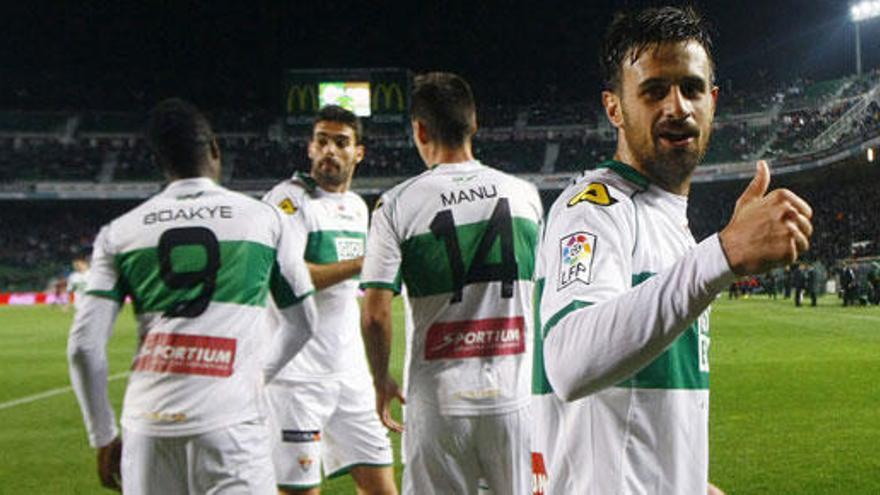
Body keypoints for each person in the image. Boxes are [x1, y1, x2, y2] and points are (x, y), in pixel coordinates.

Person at [531, 6, 813, 494]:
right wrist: (722, 254)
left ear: (713, 101)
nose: (677, 106)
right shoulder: (596, 208)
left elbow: (634, 410)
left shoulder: (668, 224)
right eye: (654, 90)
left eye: (691, 88)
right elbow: (569, 362)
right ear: (614, 107)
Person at [68, 98, 319, 494]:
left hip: (148, 427)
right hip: (232, 422)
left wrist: (103, 436)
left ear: (160, 161)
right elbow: (304, 322)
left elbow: (83, 347)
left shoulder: (119, 232)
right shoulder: (265, 220)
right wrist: (259, 374)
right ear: (215, 149)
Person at [360, 72, 543, 494]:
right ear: (473, 122)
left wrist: (380, 379)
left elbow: (373, 315)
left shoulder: (396, 205)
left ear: (419, 129)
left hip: (438, 402)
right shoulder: (525, 196)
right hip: (512, 400)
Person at [262, 105, 396, 495]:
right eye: (322, 141)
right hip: (297, 378)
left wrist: (377, 373)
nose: (330, 151)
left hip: (350, 375)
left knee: (383, 489)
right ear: (309, 148)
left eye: (341, 143)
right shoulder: (287, 200)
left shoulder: (357, 207)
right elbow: (293, 278)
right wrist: (365, 260)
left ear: (359, 153)